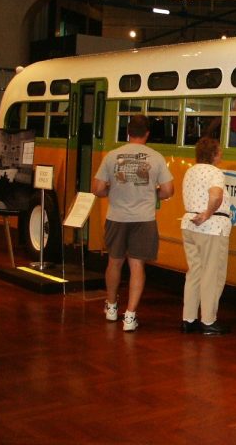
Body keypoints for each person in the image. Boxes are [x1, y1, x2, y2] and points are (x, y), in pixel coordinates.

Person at [92, 115, 174, 332]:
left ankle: (111, 307)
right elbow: (168, 190)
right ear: (147, 133)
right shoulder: (155, 157)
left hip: (116, 217)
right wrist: (153, 192)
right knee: (137, 265)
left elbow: (98, 189)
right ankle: (130, 316)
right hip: (143, 219)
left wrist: (113, 190)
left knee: (114, 261)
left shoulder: (112, 155)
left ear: (127, 132)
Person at [180, 137, 232, 335]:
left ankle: (188, 318)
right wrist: (208, 213)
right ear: (213, 154)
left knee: (194, 272)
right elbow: (216, 194)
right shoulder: (214, 172)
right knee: (212, 274)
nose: (221, 154)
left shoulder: (190, 171)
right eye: (219, 151)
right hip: (211, 227)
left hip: (189, 225)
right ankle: (209, 321)